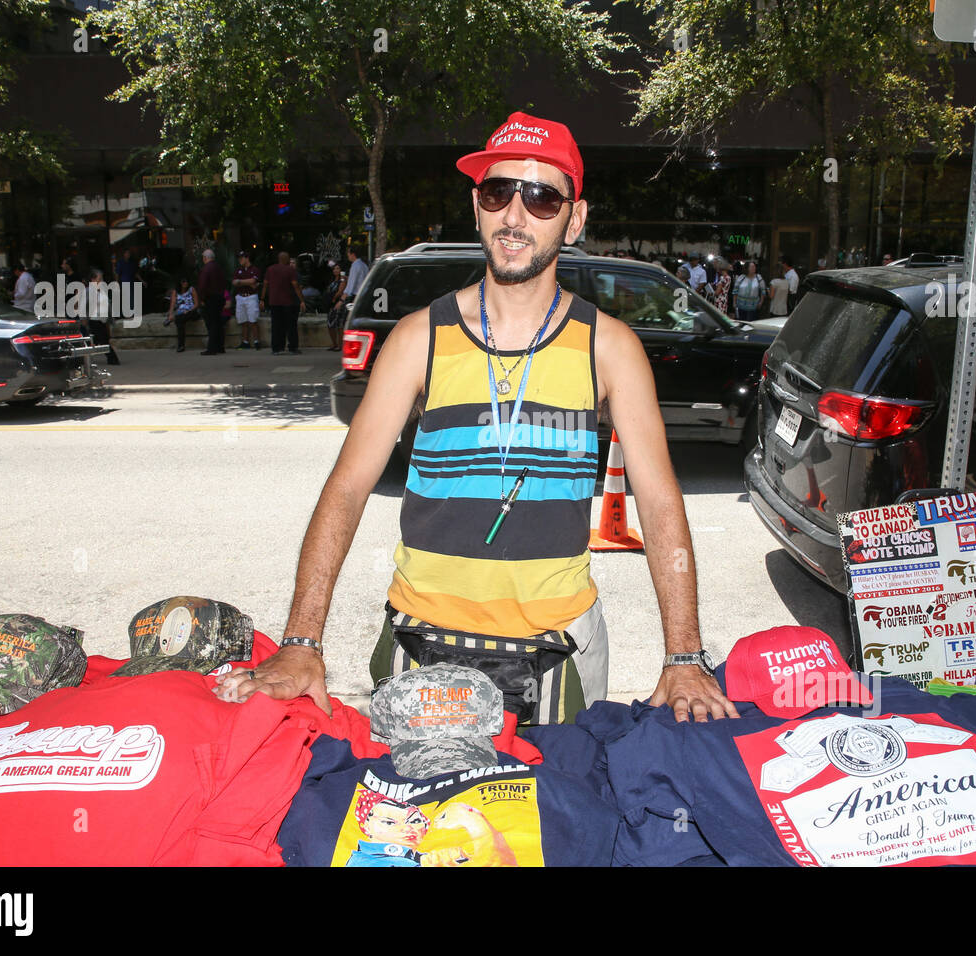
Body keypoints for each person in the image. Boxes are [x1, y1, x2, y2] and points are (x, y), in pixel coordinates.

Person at [215, 110, 737, 725]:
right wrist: (302, 641)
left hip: (559, 653)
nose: (515, 215)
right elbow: (348, 488)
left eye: (542, 197)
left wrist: (684, 654)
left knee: (560, 816)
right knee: (408, 821)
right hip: (421, 647)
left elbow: (658, 501)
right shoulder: (418, 339)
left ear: (576, 219)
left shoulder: (610, 347)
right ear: (478, 205)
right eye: (498, 191)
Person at [262, 251, 305, 355]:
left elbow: (265, 285)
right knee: (291, 325)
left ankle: (276, 348)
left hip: (274, 301)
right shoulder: (290, 270)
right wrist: (301, 300)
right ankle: (292, 347)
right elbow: (295, 286)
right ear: (286, 259)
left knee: (276, 325)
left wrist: (262, 299)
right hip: (288, 301)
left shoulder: (270, 269)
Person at [86, 268, 121, 365]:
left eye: (101, 279)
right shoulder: (88, 291)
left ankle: (82, 359)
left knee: (97, 341)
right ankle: (113, 359)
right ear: (93, 280)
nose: (101, 281)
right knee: (103, 341)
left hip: (102, 320)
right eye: (99, 279)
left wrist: (110, 320)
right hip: (94, 320)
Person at [196, 249, 227, 355]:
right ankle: (220, 346)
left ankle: (212, 348)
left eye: (203, 258)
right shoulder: (218, 268)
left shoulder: (206, 269)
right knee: (218, 322)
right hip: (219, 297)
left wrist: (201, 299)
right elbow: (224, 282)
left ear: (205, 258)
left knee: (212, 323)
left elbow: (202, 285)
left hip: (210, 298)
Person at [232, 250, 263, 349]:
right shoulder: (238, 270)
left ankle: (256, 341)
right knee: (243, 320)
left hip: (251, 296)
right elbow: (234, 282)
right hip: (241, 296)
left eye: (241, 258)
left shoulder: (254, 269)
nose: (240, 260)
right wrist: (248, 282)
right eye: (239, 258)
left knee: (253, 320)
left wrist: (240, 281)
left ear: (247, 258)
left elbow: (253, 280)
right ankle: (245, 342)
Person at [164, 276, 200, 353]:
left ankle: (181, 345)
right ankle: (181, 346)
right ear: (180, 283)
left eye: (186, 281)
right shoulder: (175, 291)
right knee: (180, 321)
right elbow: (172, 304)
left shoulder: (191, 289)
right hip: (181, 312)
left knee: (179, 320)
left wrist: (189, 310)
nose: (185, 283)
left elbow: (196, 304)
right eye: (183, 281)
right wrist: (170, 314)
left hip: (191, 311)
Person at [325, 262, 347, 351]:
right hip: (331, 304)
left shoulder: (342, 280)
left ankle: (340, 345)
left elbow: (341, 291)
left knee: (339, 325)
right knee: (330, 324)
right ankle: (334, 343)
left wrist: (334, 298)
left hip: (338, 303)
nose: (336, 270)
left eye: (338, 268)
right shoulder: (332, 280)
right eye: (334, 269)